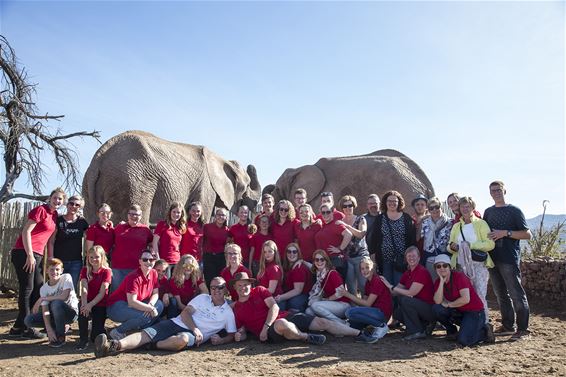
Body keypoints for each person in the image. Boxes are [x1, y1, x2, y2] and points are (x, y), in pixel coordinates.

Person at [94, 276, 237, 357]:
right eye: (213, 287)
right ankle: (112, 345)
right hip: (177, 323)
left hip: (190, 335)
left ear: (225, 289)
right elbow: (185, 313)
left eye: (220, 287)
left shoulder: (227, 313)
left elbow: (231, 334)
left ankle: (153, 345)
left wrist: (221, 341)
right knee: (146, 334)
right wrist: (195, 328)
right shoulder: (203, 298)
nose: (216, 290)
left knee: (182, 339)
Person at [231, 272, 378, 344]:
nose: (244, 288)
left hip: (280, 317)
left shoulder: (260, 290)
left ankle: (360, 334)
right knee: (282, 324)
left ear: (251, 284)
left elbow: (274, 308)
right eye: (240, 285)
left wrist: (265, 326)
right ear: (235, 288)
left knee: (322, 322)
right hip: (271, 332)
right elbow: (242, 330)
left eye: (246, 284)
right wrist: (240, 336)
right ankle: (307, 337)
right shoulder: (237, 308)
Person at [9, 187, 66, 339]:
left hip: (38, 255)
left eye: (60, 199)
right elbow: (26, 231)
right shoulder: (41, 210)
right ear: (50, 198)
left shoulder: (54, 216)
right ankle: (28, 327)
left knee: (39, 287)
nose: (57, 201)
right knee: (27, 288)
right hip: (24, 252)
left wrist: (50, 259)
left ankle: (17, 327)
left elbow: (50, 241)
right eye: (55, 198)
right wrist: (29, 254)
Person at [483, 180, 532, 339]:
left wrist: (506, 233)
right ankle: (507, 325)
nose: (495, 192)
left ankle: (523, 329)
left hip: (509, 258)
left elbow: (527, 234)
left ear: (505, 191)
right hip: (493, 258)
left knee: (516, 293)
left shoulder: (514, 211)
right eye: (492, 190)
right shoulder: (488, 212)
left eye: (498, 190)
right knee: (500, 294)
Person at [448, 196, 495, 323]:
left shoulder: (481, 224)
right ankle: (468, 324)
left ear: (473, 208)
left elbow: (490, 244)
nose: (464, 209)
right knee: (464, 295)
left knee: (479, 294)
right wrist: (452, 247)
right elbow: (449, 245)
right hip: (460, 266)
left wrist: (469, 246)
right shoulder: (456, 226)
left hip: (478, 265)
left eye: (467, 206)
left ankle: (484, 324)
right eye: (462, 206)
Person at [432, 254, 495, 346]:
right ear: (436, 269)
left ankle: (484, 331)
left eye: (445, 265)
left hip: (474, 312)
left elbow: (465, 299)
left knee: (464, 341)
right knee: (437, 308)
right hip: (460, 311)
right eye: (438, 266)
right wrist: (441, 282)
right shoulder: (438, 281)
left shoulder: (459, 277)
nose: (442, 268)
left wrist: (449, 304)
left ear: (450, 267)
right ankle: (452, 331)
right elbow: (437, 301)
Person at [106, 249, 164, 340]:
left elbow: (155, 293)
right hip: (116, 307)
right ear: (140, 261)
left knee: (160, 304)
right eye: (145, 259)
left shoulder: (154, 273)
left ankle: (137, 329)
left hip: (133, 305)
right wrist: (150, 308)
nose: (148, 262)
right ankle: (118, 331)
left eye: (151, 260)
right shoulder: (133, 277)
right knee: (144, 317)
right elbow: (132, 302)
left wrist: (151, 305)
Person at [381, 246, 435, 340]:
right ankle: (423, 327)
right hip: (418, 307)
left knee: (405, 300)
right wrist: (384, 284)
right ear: (406, 258)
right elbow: (395, 292)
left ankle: (416, 331)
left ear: (419, 258)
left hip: (429, 308)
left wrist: (392, 287)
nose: (411, 258)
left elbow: (411, 292)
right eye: (409, 256)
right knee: (397, 313)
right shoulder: (408, 272)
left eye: (414, 256)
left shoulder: (421, 271)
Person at [24, 258, 78, 347]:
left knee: (56, 303)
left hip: (71, 314)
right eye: (51, 269)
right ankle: (56, 328)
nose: (54, 272)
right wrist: (49, 330)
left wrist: (42, 299)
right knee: (28, 320)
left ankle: (60, 336)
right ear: (47, 271)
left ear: (62, 271)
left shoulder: (66, 277)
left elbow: (64, 297)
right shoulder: (44, 289)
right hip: (54, 314)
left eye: (57, 269)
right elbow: (45, 311)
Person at [368, 190, 417, 287]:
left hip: (401, 259)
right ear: (385, 203)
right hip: (384, 258)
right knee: (387, 284)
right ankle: (390, 302)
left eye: (395, 201)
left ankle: (399, 302)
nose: (392, 203)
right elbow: (374, 238)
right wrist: (372, 255)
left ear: (399, 203)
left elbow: (411, 239)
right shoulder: (380, 218)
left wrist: (410, 257)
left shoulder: (406, 218)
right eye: (389, 201)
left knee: (400, 284)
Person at [338, 256, 391, 341]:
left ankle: (381, 326)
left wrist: (347, 294)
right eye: (362, 269)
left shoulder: (377, 281)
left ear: (372, 268)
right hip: (373, 312)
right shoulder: (368, 283)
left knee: (349, 312)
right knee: (351, 324)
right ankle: (372, 326)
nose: (364, 270)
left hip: (381, 313)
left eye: (367, 267)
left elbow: (367, 304)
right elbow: (363, 302)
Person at [48, 194, 89, 290]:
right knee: (57, 288)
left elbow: (90, 237)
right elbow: (51, 241)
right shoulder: (59, 220)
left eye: (77, 205)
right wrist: (50, 257)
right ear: (67, 205)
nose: (74, 206)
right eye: (71, 203)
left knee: (71, 289)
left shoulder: (82, 222)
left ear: (80, 207)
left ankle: (68, 305)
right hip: (59, 262)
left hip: (76, 262)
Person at [76, 246, 112, 350]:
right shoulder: (85, 270)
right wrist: (84, 304)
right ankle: (83, 339)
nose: (94, 260)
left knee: (95, 336)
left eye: (97, 257)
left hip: (100, 303)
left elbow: (102, 292)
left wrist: (90, 305)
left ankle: (99, 330)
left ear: (102, 257)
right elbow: (84, 288)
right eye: (91, 257)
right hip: (87, 300)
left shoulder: (107, 271)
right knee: (82, 311)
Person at [111, 205, 153, 288]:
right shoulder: (119, 228)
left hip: (138, 268)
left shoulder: (145, 230)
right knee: (117, 294)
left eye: (137, 215)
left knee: (134, 293)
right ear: (127, 215)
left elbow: (152, 245)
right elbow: (110, 241)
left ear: (141, 216)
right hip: (118, 267)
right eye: (131, 214)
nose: (134, 217)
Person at [306, 250, 351, 324]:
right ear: (314, 262)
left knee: (315, 306)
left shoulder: (332, 273)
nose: (319, 262)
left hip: (342, 304)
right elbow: (309, 265)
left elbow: (341, 293)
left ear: (326, 261)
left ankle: (341, 323)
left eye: (322, 259)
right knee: (308, 312)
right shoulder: (319, 275)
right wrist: (302, 261)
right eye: (317, 260)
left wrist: (327, 299)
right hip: (331, 304)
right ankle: (327, 325)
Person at [337, 195, 370, 295]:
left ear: (353, 206)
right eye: (345, 206)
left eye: (350, 205)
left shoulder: (361, 219)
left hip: (361, 257)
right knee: (351, 287)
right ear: (342, 208)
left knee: (363, 285)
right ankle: (354, 309)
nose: (348, 208)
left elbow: (361, 234)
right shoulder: (340, 222)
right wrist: (337, 249)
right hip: (347, 258)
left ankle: (367, 308)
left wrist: (347, 226)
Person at [315, 203, 352, 280]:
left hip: (336, 261)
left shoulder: (335, 224)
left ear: (332, 212)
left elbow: (348, 234)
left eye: (328, 212)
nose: (325, 214)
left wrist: (340, 248)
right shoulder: (325, 225)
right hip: (326, 261)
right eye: (323, 212)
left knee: (338, 288)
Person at [421, 197, 453, 280]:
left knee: (447, 282)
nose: (434, 210)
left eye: (437, 207)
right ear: (429, 210)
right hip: (429, 256)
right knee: (433, 282)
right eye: (431, 208)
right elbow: (420, 239)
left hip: (446, 256)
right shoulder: (425, 223)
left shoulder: (450, 222)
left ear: (441, 207)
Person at [274, 243, 312, 312]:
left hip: (303, 295)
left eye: (294, 252)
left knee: (293, 303)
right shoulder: (286, 266)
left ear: (298, 253)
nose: (292, 254)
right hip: (291, 292)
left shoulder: (299, 268)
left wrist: (281, 297)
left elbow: (297, 290)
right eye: (289, 251)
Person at [152, 202, 187, 277]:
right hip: (164, 262)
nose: (176, 214)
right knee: (165, 284)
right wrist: (158, 259)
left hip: (177, 261)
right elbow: (155, 243)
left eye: (178, 212)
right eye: (174, 212)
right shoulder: (162, 224)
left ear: (181, 214)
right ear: (170, 212)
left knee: (175, 285)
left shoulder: (181, 228)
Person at [202, 208, 230, 286]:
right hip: (208, 257)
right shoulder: (207, 227)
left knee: (220, 281)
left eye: (223, 215)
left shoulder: (227, 230)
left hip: (221, 258)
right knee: (209, 280)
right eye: (219, 214)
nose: (221, 217)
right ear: (215, 216)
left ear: (226, 217)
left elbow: (229, 243)